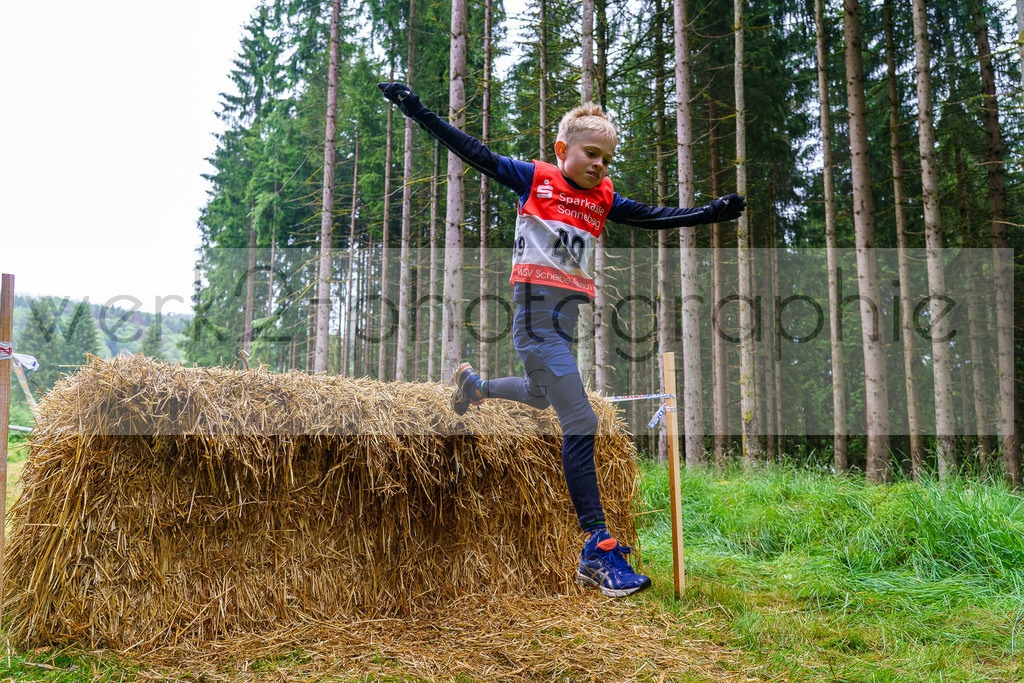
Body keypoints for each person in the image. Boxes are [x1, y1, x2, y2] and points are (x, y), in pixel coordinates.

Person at [378, 82, 745, 598]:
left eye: (607, 157)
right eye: (590, 154)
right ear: (562, 151)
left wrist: (708, 212)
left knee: (538, 394)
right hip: (534, 321)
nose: (599, 164)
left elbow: (654, 217)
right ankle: (597, 547)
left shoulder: (604, 196)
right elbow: (473, 151)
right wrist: (418, 110)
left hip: (566, 321)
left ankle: (477, 388)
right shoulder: (537, 179)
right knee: (580, 419)